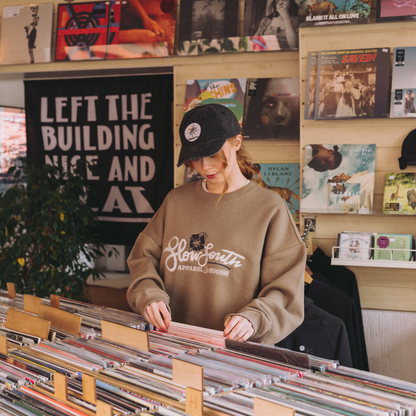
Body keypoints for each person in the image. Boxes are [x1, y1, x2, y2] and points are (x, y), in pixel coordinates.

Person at [126, 103, 306, 345]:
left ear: (237, 142)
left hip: (236, 353)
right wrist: (149, 296)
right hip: (171, 344)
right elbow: (143, 258)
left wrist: (255, 317)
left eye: (213, 154)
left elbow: (285, 286)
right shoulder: (176, 201)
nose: (204, 166)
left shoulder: (270, 208)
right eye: (196, 158)